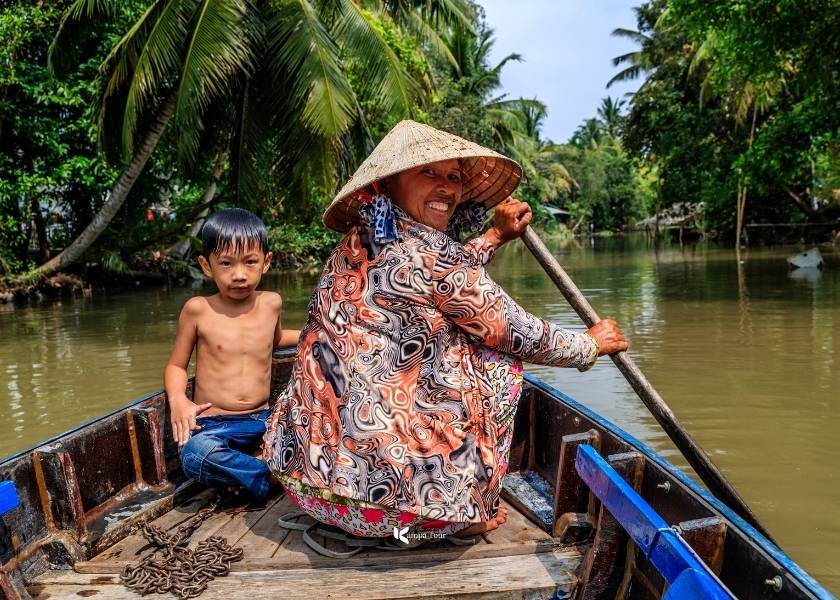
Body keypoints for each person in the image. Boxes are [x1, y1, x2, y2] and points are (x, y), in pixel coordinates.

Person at [263, 121, 627, 540]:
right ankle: (465, 510)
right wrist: (588, 345)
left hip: (310, 488)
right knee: (496, 360)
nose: (447, 188)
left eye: (454, 177)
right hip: (395, 513)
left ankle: (445, 491)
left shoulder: (362, 239)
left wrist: (494, 236)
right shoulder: (435, 257)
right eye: (428, 173)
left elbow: (440, 274)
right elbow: (516, 331)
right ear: (388, 184)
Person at [164, 208, 299, 499]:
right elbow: (176, 365)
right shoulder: (198, 309)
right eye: (226, 263)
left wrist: (315, 334)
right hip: (213, 424)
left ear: (266, 262)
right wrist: (178, 400)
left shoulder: (271, 303)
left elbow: (274, 341)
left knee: (310, 427)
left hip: (263, 419)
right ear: (206, 265)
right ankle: (269, 475)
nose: (239, 275)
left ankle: (246, 473)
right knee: (195, 456)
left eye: (250, 262)